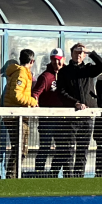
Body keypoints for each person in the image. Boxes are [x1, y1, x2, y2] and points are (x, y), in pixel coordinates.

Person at [57, 43, 102, 177]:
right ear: (71, 53)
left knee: (83, 149)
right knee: (68, 149)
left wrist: (90, 52)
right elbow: (61, 92)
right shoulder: (64, 71)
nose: (79, 55)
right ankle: (68, 177)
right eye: (76, 52)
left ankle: (79, 177)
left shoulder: (89, 69)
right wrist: (76, 103)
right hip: (71, 117)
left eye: (81, 53)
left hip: (87, 117)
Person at [1, 49, 38, 179]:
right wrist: (32, 101)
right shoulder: (21, 73)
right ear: (32, 61)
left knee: (21, 148)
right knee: (19, 148)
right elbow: (16, 95)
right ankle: (12, 176)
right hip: (16, 117)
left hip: (18, 116)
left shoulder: (22, 73)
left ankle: (14, 175)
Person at [32, 48, 68, 177]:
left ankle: (53, 174)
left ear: (63, 59)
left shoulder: (67, 74)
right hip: (47, 119)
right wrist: (35, 102)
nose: (56, 63)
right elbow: (35, 94)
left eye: (58, 60)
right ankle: (39, 174)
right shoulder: (45, 76)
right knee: (45, 148)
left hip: (63, 119)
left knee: (63, 149)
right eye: (53, 60)